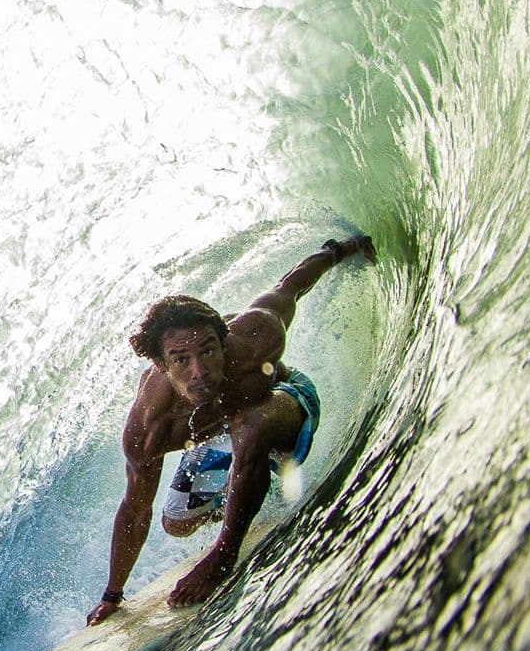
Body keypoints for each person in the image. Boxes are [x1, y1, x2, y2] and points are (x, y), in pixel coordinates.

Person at [86, 235, 376, 626]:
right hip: (225, 433)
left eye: (207, 351)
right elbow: (136, 509)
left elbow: (290, 285)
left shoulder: (256, 334)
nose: (200, 371)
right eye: (181, 360)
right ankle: (245, 491)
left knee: (249, 427)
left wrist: (340, 250)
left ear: (223, 341)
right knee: (176, 522)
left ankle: (225, 551)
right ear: (161, 364)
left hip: (285, 405)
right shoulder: (149, 428)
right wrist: (113, 595)